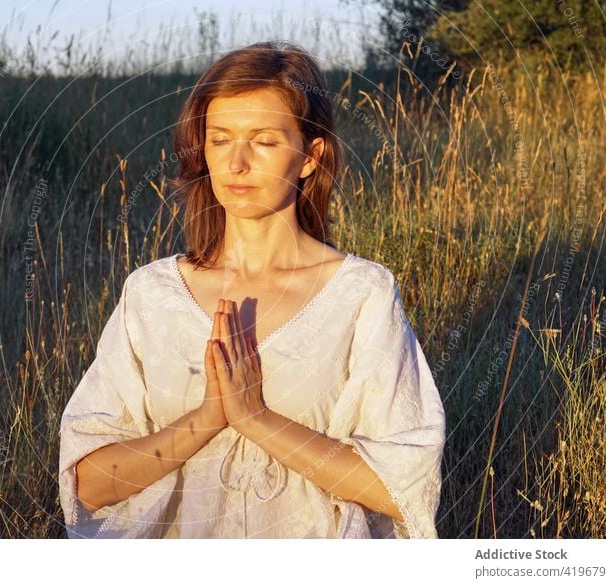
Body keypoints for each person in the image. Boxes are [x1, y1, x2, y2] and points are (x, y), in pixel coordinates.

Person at [59, 41, 445, 539]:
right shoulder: (151, 295)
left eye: (263, 141)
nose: (237, 163)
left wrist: (255, 417)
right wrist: (207, 418)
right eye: (219, 140)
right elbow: (88, 483)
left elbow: (400, 490)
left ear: (311, 156)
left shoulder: (361, 295)